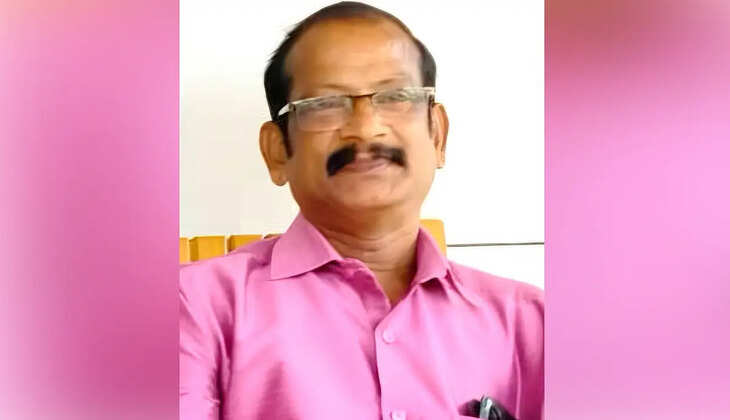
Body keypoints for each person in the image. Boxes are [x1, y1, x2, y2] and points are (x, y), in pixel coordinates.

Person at [179, 2, 543, 419]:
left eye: (397, 97)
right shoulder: (192, 309)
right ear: (277, 151)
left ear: (437, 136)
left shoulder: (532, 325)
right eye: (325, 103)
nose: (366, 128)